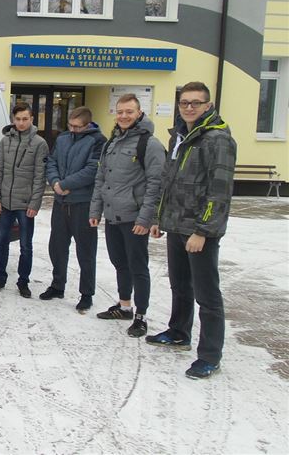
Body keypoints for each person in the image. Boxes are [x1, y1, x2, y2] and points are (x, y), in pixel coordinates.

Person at [147, 82, 236, 379]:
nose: (189, 107)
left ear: (208, 106)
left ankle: (210, 355)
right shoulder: (180, 136)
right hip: (176, 224)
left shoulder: (217, 140)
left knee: (207, 295)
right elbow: (167, 180)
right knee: (180, 285)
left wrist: (203, 231)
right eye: (184, 102)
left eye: (196, 103)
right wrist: (160, 217)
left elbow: (219, 192)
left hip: (199, 231)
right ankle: (178, 332)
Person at [89, 94, 166, 337]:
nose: (124, 116)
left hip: (134, 219)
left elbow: (156, 185)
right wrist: (96, 210)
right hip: (113, 216)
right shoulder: (111, 142)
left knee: (138, 268)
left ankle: (141, 316)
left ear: (139, 113)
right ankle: (124, 307)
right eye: (120, 111)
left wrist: (146, 219)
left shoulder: (149, 144)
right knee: (120, 263)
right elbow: (101, 179)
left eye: (129, 112)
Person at [41, 106, 107, 312]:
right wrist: (55, 182)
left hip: (83, 203)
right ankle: (57, 285)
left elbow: (92, 170)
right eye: (70, 125)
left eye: (77, 127)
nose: (73, 129)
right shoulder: (63, 138)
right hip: (60, 202)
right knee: (57, 247)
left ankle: (86, 294)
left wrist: (66, 184)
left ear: (88, 125)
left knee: (85, 251)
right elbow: (51, 161)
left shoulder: (98, 141)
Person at [0, 103, 49, 297]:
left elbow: (40, 177)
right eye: (18, 119)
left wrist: (34, 203)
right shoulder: (6, 141)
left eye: (25, 119)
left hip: (25, 204)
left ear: (32, 119)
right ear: (13, 120)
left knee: (25, 246)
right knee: (1, 242)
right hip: (6, 202)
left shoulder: (39, 144)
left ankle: (23, 282)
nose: (21, 123)